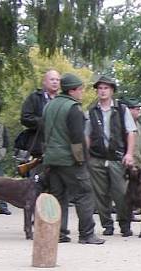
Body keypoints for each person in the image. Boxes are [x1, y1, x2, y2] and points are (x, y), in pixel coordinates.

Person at [43, 73, 104, 246]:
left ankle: (58, 233)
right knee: (85, 193)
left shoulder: (49, 105)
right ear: (72, 91)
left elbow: (43, 133)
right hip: (69, 160)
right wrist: (81, 161)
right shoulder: (73, 108)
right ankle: (87, 234)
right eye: (80, 89)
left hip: (51, 159)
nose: (82, 92)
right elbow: (77, 138)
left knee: (57, 196)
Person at [85, 75, 137, 237]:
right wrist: (86, 157)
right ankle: (107, 225)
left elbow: (131, 132)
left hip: (117, 157)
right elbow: (86, 135)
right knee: (100, 194)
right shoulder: (91, 111)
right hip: (97, 158)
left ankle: (125, 224)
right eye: (100, 88)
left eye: (106, 88)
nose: (102, 91)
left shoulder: (122, 109)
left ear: (112, 90)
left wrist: (129, 153)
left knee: (121, 192)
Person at [17, 69, 60, 161]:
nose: (55, 82)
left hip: (58, 148)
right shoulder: (34, 97)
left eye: (57, 80)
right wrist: (44, 122)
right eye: (52, 79)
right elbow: (25, 118)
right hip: (38, 148)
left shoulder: (62, 100)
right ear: (44, 82)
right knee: (36, 174)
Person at [123, 98, 141, 171]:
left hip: (138, 167)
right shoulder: (122, 125)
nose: (139, 111)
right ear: (129, 110)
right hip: (125, 166)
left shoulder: (139, 125)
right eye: (137, 109)